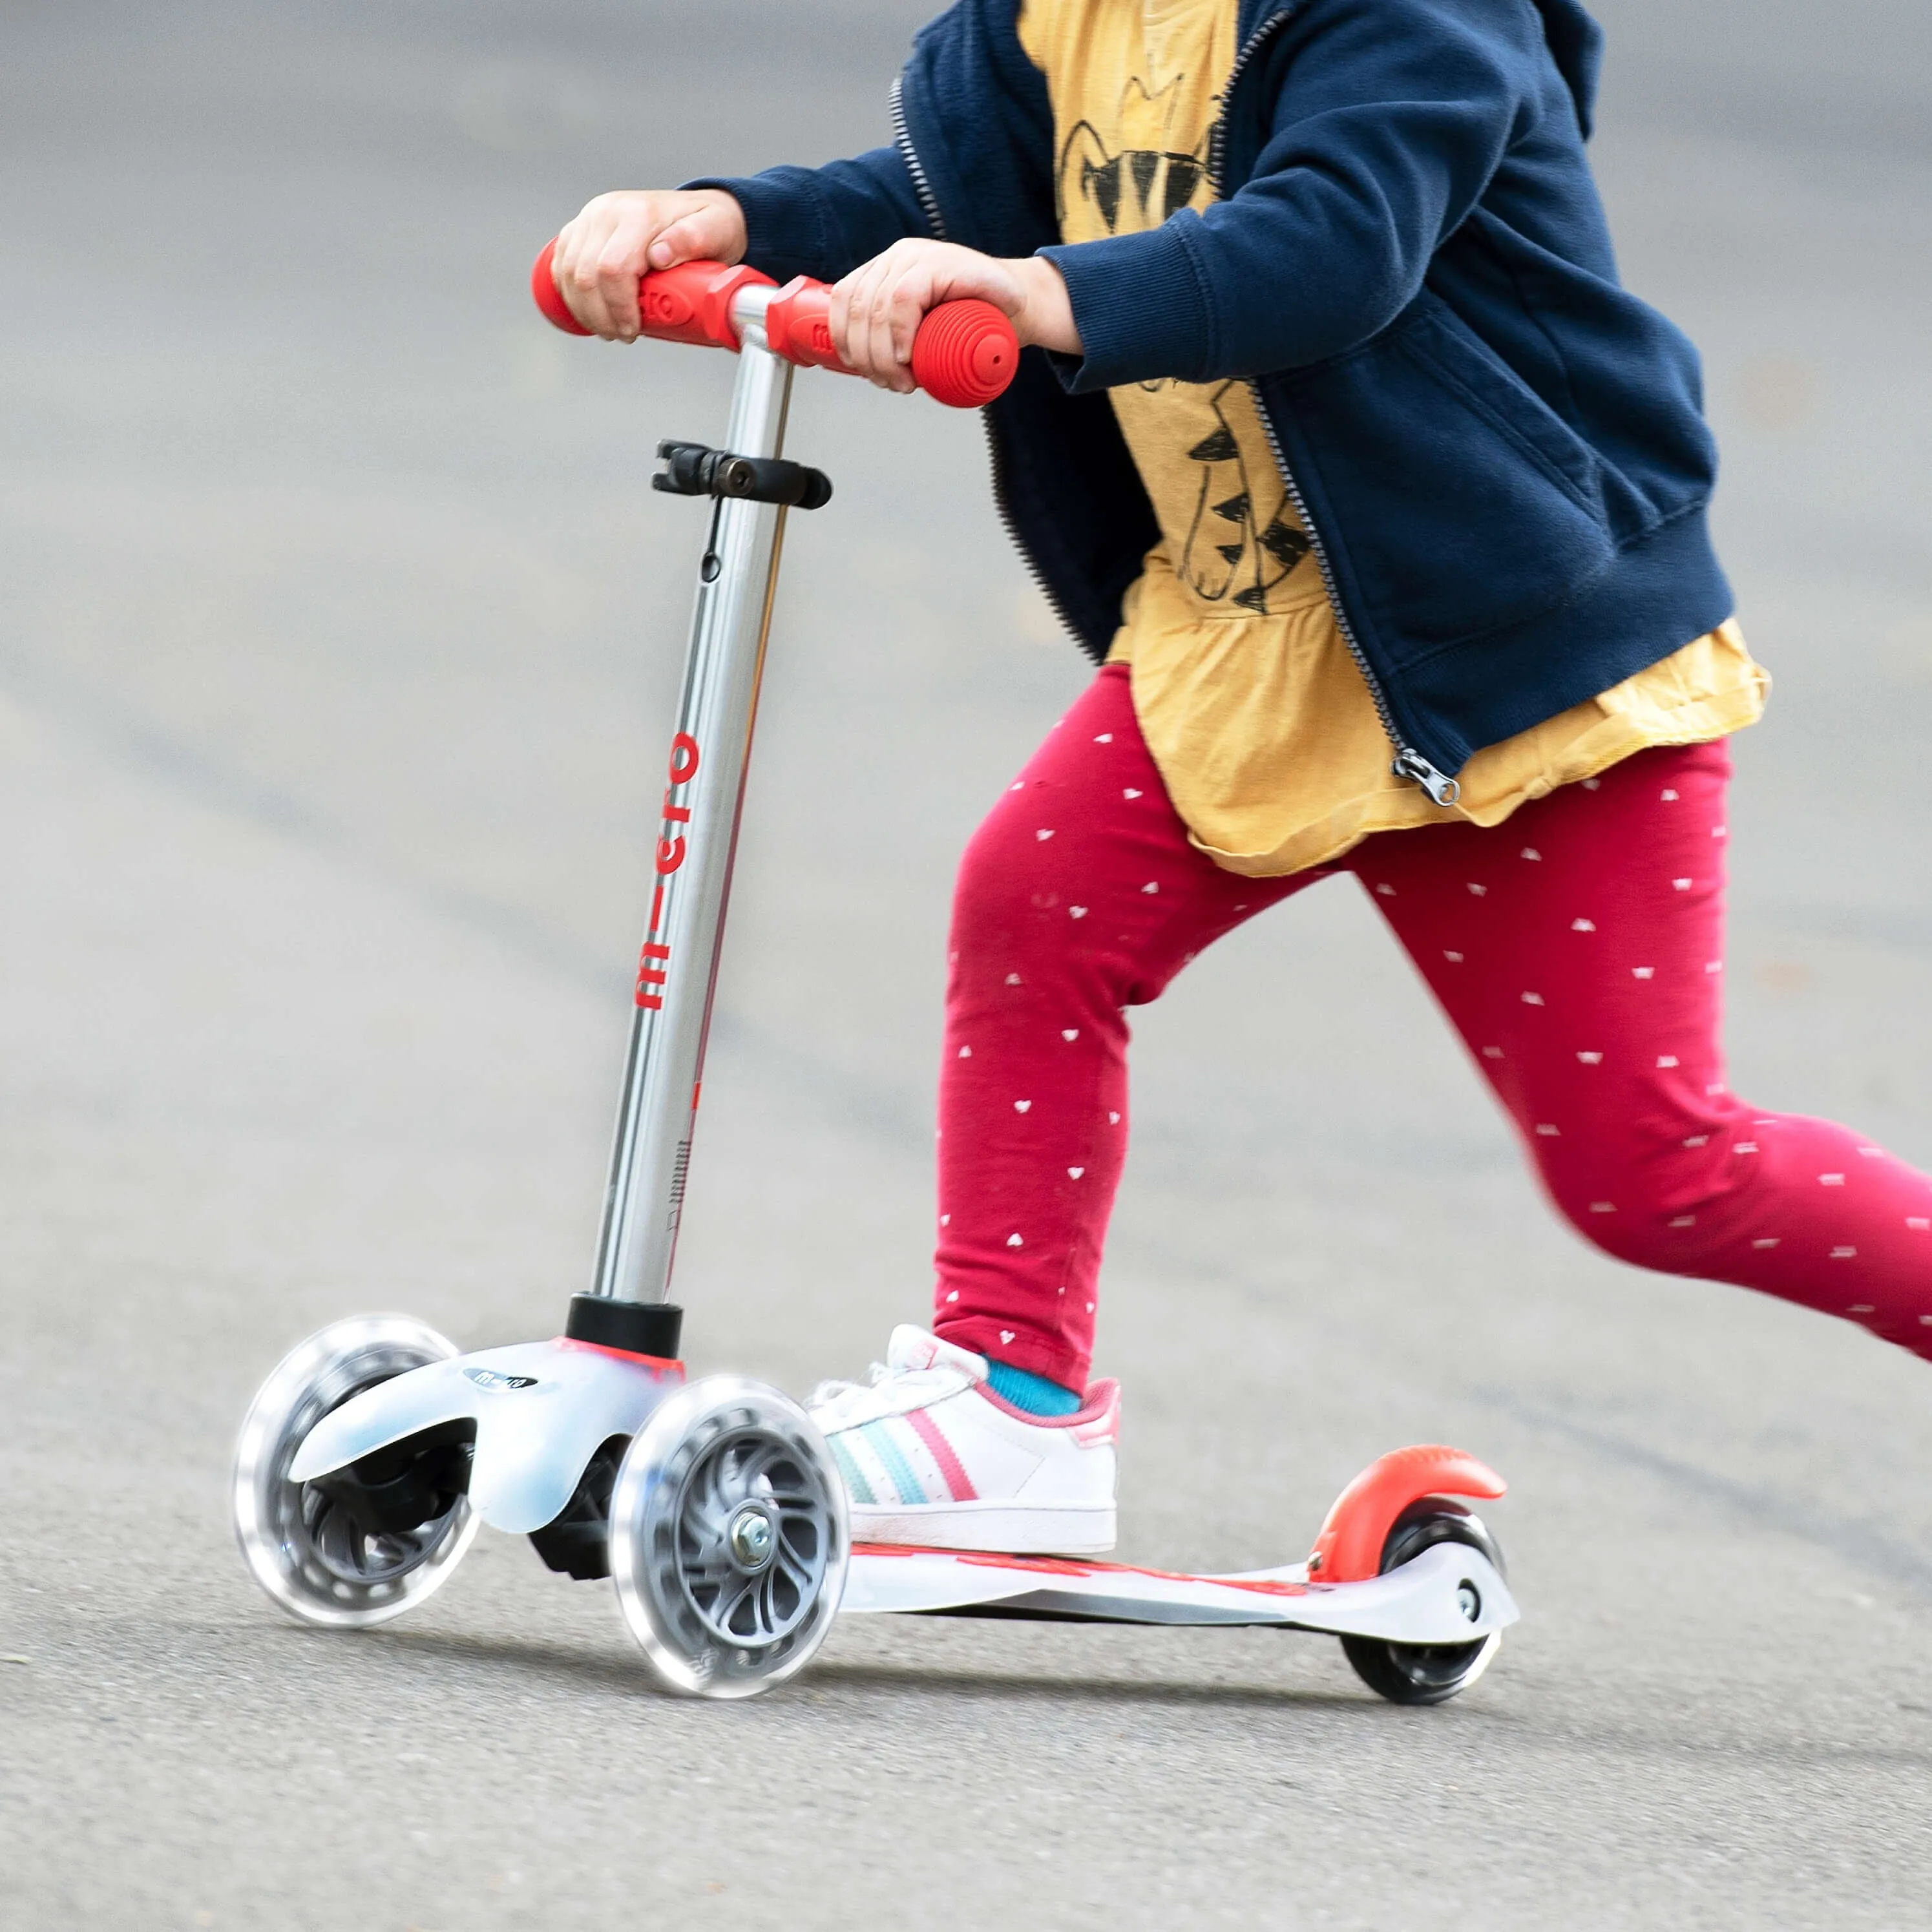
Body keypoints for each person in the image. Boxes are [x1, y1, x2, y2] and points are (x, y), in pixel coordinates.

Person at [549, 0, 1932, 1556]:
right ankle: (1008, 1403)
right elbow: (955, 203)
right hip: (1257, 639)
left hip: (1512, 652)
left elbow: (1332, 242)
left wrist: (1030, 290)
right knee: (1038, 906)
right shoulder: (1066, 17)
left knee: (1655, 1170)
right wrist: (726, 216)